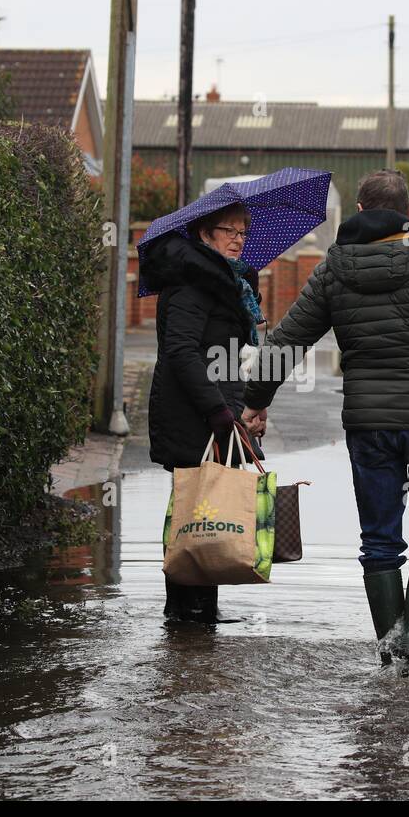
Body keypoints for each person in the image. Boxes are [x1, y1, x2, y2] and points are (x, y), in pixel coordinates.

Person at [241, 170, 409, 666]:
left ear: (360, 211)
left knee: (379, 539)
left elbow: (288, 341)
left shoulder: (333, 269)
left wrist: (257, 399)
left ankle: (391, 656)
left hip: (367, 425)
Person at [140, 202, 265, 624]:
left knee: (206, 509)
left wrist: (245, 406)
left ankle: (198, 614)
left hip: (216, 411)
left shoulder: (226, 283)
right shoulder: (193, 283)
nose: (237, 238)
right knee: (194, 509)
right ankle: (183, 614)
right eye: (227, 230)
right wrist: (217, 410)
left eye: (242, 232)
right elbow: (180, 352)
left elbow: (226, 357)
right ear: (203, 234)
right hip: (191, 413)